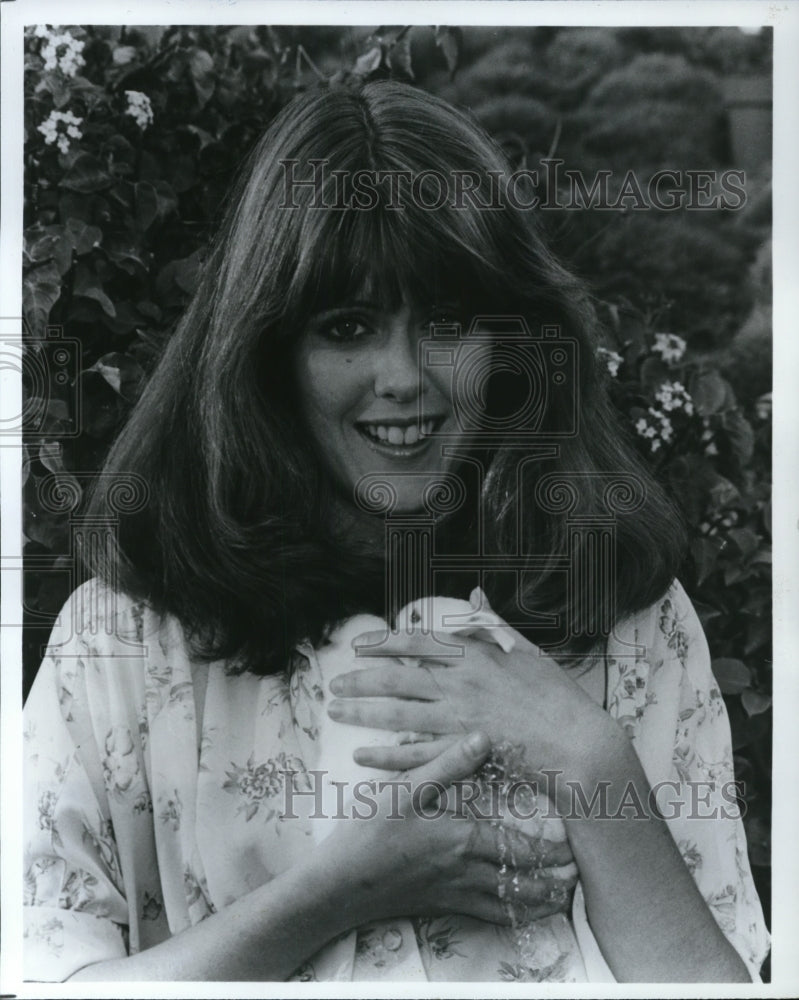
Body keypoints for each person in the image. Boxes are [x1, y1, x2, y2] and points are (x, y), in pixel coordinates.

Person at [22, 81, 769, 983]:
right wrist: (343, 889)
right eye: (348, 327)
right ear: (267, 352)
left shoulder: (627, 618)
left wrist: (589, 759)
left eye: (447, 322)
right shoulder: (122, 645)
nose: (404, 376)